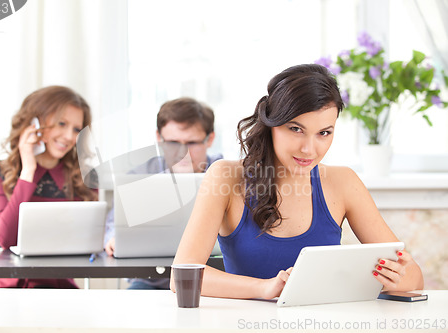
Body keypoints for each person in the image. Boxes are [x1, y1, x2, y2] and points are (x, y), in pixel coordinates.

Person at [171, 64, 424, 299]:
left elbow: (414, 277)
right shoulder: (225, 176)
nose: (309, 149)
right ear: (271, 124)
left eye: (324, 133)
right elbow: (181, 277)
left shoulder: (343, 182)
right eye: (296, 129)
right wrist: (266, 288)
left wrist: (400, 277)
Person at [0, 85, 97, 288]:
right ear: (34, 123)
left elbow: (86, 243)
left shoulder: (84, 179)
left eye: (76, 129)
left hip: (58, 289)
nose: (70, 136)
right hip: (6, 288)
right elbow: (4, 238)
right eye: (61, 123)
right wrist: (28, 170)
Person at [104, 97, 222, 289]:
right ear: (159, 139)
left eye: (191, 143)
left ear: (210, 139)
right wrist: (113, 238)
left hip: (210, 280)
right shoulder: (140, 176)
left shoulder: (227, 174)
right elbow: (114, 223)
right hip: (150, 280)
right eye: (173, 143)